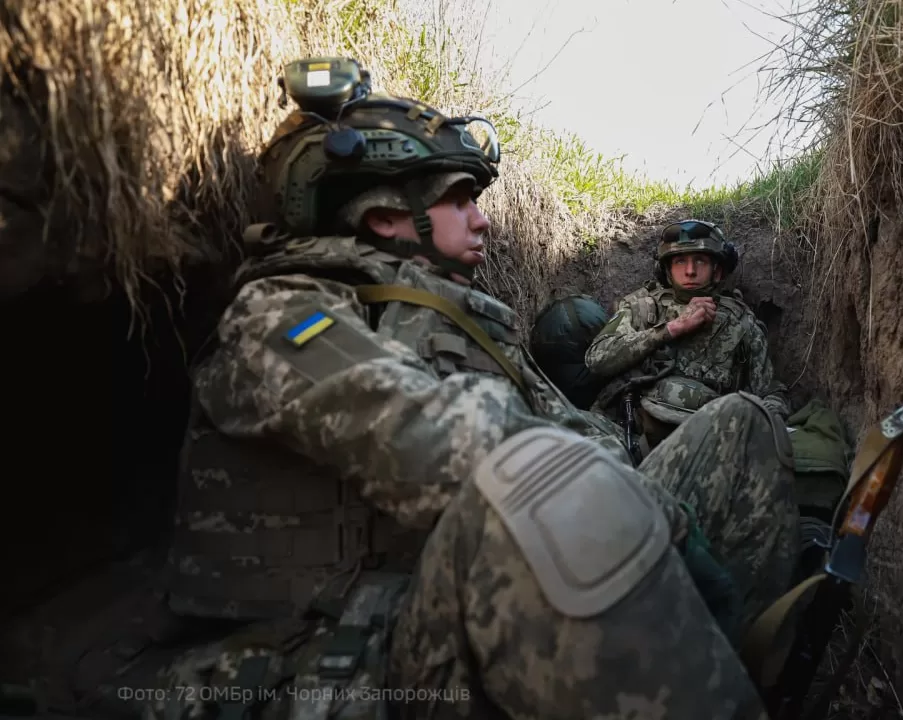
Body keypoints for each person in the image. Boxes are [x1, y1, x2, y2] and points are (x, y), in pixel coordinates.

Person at [128, 57, 790, 720]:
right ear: (389, 216)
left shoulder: (461, 317)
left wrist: (645, 501)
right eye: (460, 199)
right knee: (553, 490)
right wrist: (652, 512)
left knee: (745, 422)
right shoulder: (281, 314)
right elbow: (434, 436)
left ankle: (719, 668)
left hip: (465, 588)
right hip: (346, 638)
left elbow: (575, 428)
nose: (482, 221)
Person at [586, 219, 792, 451]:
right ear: (666, 269)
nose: (690, 271)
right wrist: (670, 329)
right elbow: (597, 359)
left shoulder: (741, 322)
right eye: (680, 261)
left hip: (707, 445)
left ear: (718, 270)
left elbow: (769, 392)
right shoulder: (642, 308)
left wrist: (763, 427)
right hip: (628, 433)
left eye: (700, 261)